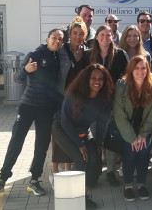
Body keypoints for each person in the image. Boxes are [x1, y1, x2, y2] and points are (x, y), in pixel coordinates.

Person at [0, 29, 64, 196]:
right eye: (54, 38)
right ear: (47, 38)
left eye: (60, 39)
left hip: (47, 109)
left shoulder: (59, 57)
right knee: (16, 141)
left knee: (42, 145)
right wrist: (26, 70)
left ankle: (34, 180)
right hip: (28, 106)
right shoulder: (35, 54)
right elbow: (17, 78)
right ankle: (2, 179)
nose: (57, 41)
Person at [52, 64, 114, 209]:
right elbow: (65, 121)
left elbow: (101, 124)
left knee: (95, 159)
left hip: (82, 130)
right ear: (87, 79)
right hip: (62, 128)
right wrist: (80, 145)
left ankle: (83, 195)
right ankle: (71, 198)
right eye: (93, 78)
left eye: (100, 79)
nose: (97, 81)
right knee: (81, 159)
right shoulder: (74, 94)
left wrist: (98, 144)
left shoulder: (104, 99)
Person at [113, 56, 152, 202]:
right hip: (127, 129)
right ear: (131, 70)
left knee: (143, 155)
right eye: (136, 68)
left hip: (145, 129)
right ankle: (128, 186)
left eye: (143, 68)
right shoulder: (121, 84)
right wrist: (132, 138)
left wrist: (142, 135)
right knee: (130, 153)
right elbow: (118, 113)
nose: (140, 71)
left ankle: (141, 184)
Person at [86, 25, 129, 186]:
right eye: (102, 34)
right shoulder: (88, 55)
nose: (105, 37)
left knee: (111, 139)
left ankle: (110, 171)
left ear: (113, 37)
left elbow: (127, 76)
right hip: (93, 103)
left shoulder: (120, 54)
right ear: (96, 37)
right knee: (94, 137)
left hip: (113, 103)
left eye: (108, 35)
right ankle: (94, 171)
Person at [50, 17, 89, 186]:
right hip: (61, 98)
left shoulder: (87, 52)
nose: (78, 37)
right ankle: (54, 170)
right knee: (58, 134)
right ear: (69, 34)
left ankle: (67, 170)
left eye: (81, 34)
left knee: (71, 133)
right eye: (74, 33)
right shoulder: (62, 50)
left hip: (78, 102)